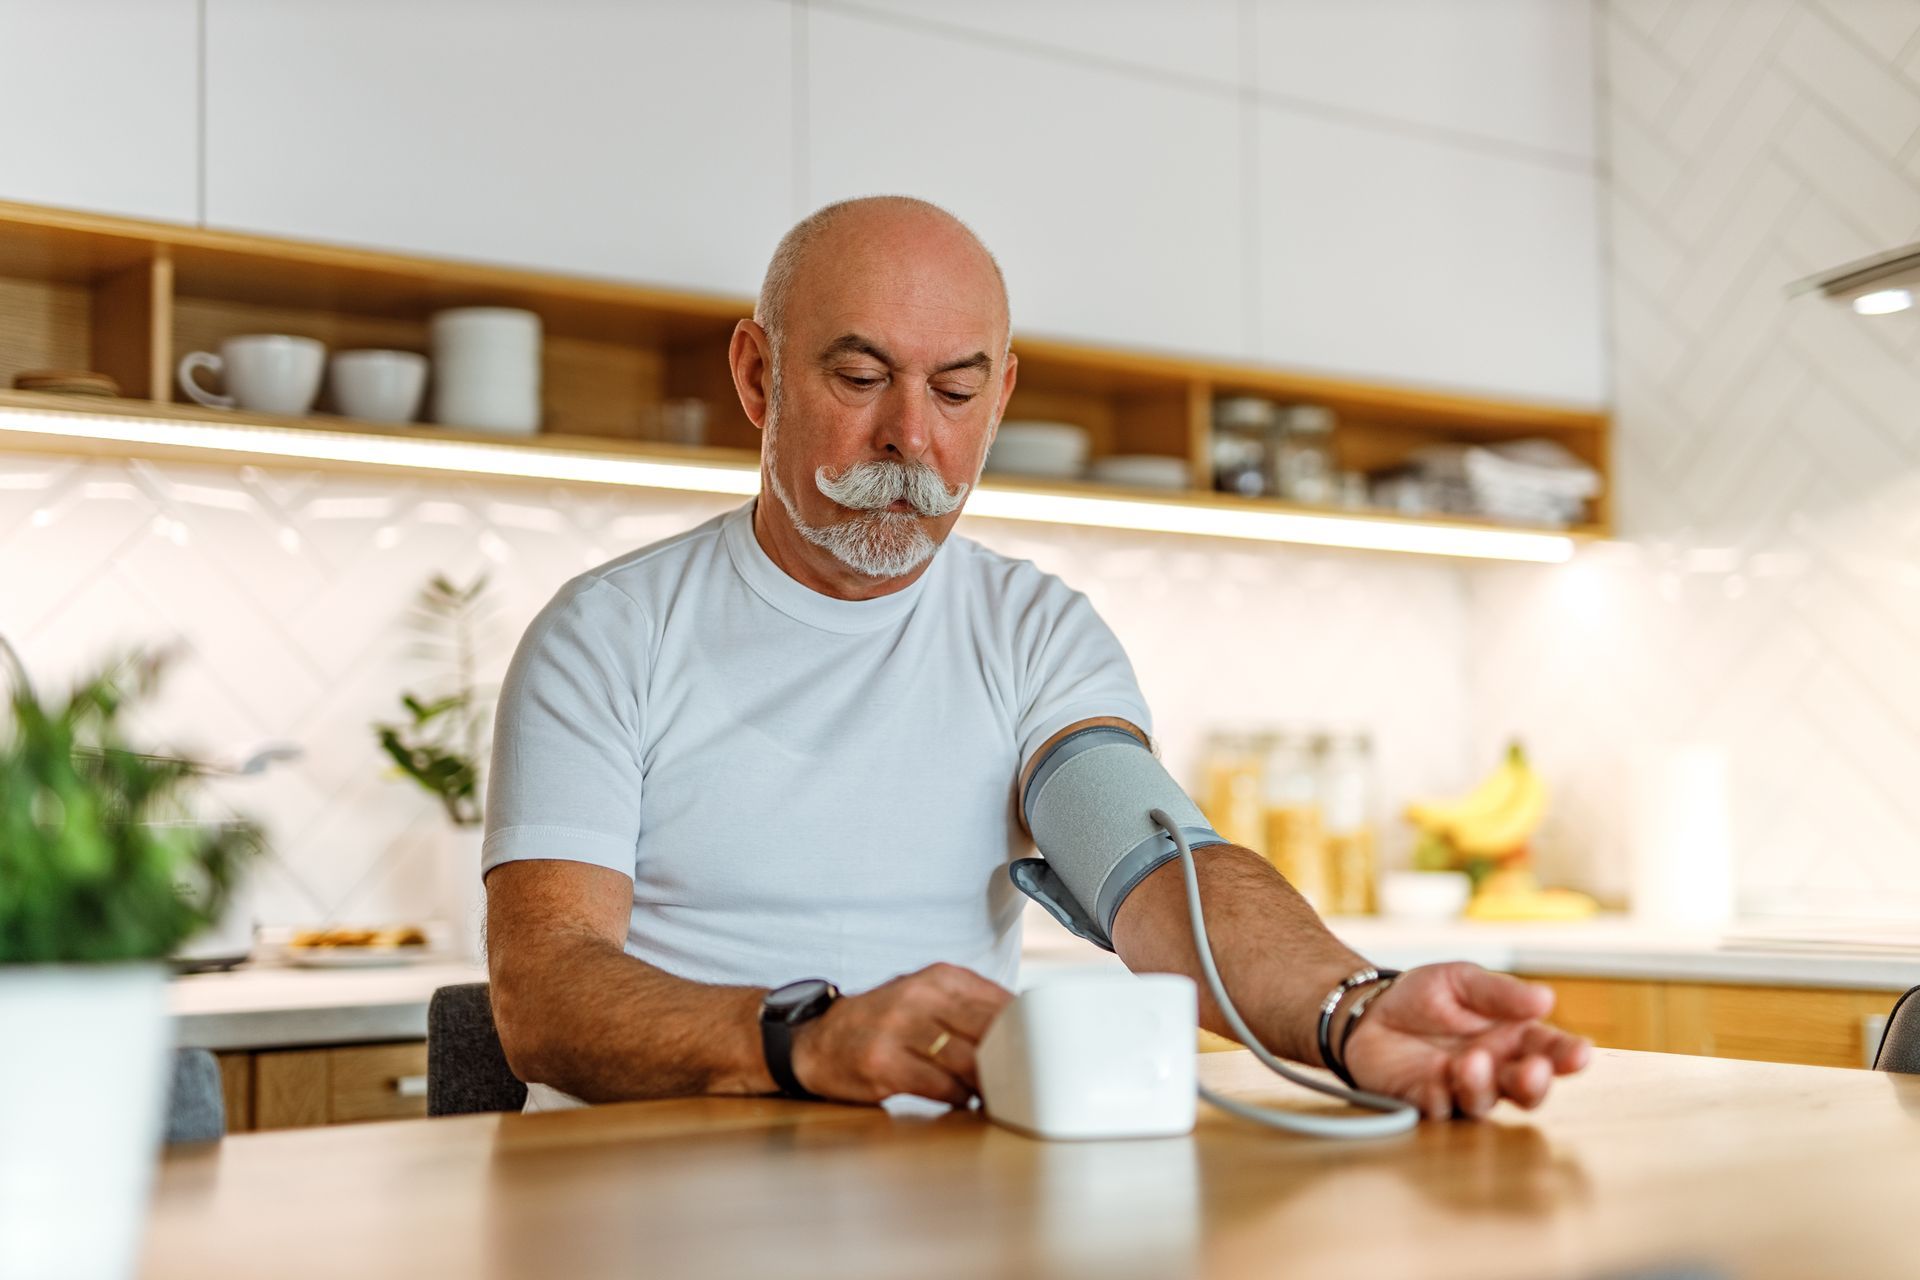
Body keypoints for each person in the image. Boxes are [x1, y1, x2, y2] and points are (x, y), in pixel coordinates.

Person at [482, 195, 1589, 1118]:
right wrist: (801, 1039)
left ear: (1001, 394)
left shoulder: (1034, 633)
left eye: (955, 391)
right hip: (641, 1197)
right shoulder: (607, 634)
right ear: (758, 375)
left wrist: (1352, 1011)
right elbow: (544, 991)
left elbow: (1162, 872)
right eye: (861, 379)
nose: (911, 438)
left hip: (944, 1204)